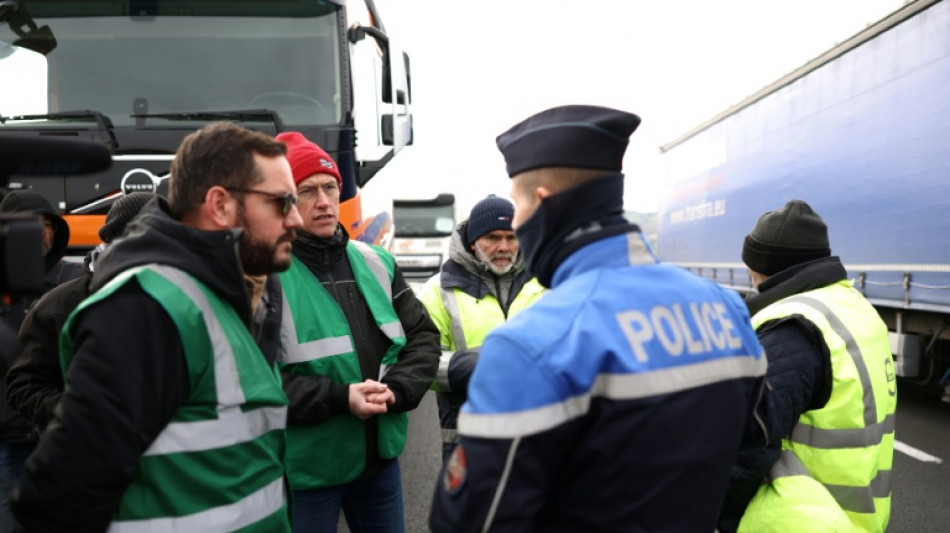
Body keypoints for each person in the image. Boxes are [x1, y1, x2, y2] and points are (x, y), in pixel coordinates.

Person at [429, 105, 769, 533]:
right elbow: (754, 450)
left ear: (542, 204)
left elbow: (471, 523)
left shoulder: (529, 346)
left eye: (516, 207)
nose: (513, 228)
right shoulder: (727, 309)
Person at [11, 121, 304, 532]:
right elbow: (60, 494)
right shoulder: (148, 308)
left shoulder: (231, 295)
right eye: (282, 202)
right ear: (219, 204)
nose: (297, 219)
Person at [273, 131, 439, 533]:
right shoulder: (265, 274)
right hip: (306, 471)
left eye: (330, 187)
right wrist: (339, 398)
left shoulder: (376, 261)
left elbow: (422, 336)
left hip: (378, 464)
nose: (325, 201)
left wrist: (398, 389)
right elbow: (253, 380)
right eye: (307, 191)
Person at [719, 199, 896, 533]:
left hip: (799, 520)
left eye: (751, 265)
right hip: (857, 517)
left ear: (764, 269)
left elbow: (748, 441)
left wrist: (716, 517)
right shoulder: (855, 308)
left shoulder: (793, 325)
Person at [7, 192, 155, 432]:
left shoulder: (188, 299)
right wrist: (79, 412)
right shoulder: (61, 304)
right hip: (74, 451)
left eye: (45, 224)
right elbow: (25, 383)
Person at [418, 194, 545, 460]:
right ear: (473, 242)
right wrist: (481, 367)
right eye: (492, 238)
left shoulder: (544, 283)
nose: (503, 247)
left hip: (539, 431)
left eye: (511, 237)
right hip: (469, 437)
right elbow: (420, 361)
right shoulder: (438, 290)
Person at [0, 190, 84, 533]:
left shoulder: (74, 284)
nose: (39, 232)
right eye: (27, 225)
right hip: (7, 440)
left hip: (59, 438)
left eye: (46, 224)